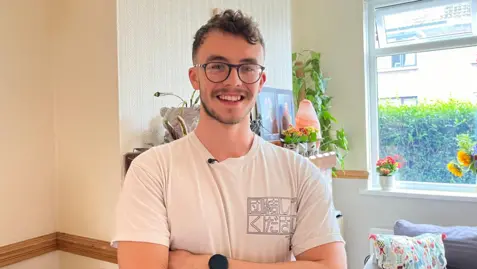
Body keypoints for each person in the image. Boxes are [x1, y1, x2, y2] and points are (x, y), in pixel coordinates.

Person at [112, 9, 347, 269]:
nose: (233, 81)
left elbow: (331, 266)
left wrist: (207, 264)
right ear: (195, 78)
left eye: (247, 68)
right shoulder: (153, 170)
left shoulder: (300, 173)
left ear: (261, 81)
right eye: (217, 67)